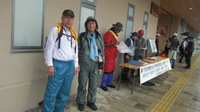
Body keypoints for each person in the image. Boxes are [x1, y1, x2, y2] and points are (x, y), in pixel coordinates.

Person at [42, 9, 79, 112]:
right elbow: (48, 48)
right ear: (62, 18)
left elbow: (75, 51)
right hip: (57, 65)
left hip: (70, 66)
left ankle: (59, 110)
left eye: (71, 18)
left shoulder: (73, 34)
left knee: (64, 93)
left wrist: (76, 65)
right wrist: (49, 64)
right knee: (51, 93)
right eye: (66, 17)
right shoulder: (55, 30)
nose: (69, 20)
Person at [77, 16, 104, 111]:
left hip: (95, 64)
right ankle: (80, 102)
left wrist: (101, 64)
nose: (91, 25)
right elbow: (77, 50)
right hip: (84, 64)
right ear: (86, 25)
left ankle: (91, 101)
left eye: (93, 23)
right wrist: (77, 63)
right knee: (82, 85)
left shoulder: (99, 37)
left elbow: (101, 50)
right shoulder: (81, 36)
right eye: (89, 23)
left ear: (96, 25)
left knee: (93, 85)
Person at [100, 22, 123, 91]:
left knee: (112, 69)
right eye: (118, 29)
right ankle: (103, 84)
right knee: (107, 70)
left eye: (119, 30)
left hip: (113, 56)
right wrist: (111, 44)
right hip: (108, 55)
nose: (118, 31)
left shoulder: (114, 34)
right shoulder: (109, 33)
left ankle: (109, 83)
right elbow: (104, 44)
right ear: (115, 28)